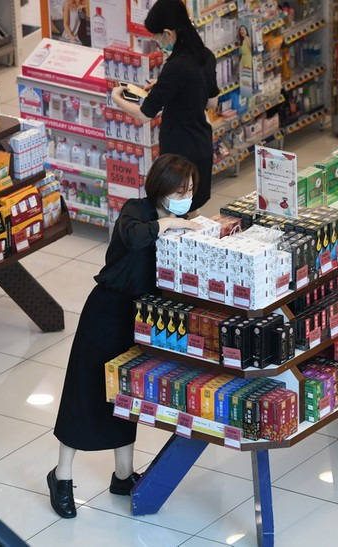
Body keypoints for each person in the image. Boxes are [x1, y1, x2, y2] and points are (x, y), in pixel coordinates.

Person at [48, 154, 200, 519]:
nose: (186, 196)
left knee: (125, 394)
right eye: (180, 190)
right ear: (161, 188)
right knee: (84, 391)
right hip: (106, 311)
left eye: (191, 190)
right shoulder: (136, 210)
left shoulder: (181, 222)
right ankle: (61, 476)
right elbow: (132, 238)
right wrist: (168, 224)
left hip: (141, 317)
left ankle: (122, 475)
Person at [110, 0, 219, 213]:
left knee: (176, 213)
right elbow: (211, 102)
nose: (156, 40)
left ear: (168, 33)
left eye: (156, 35)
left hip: (179, 152)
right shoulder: (205, 55)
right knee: (191, 207)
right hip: (201, 145)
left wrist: (116, 97)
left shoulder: (175, 67)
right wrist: (169, 88)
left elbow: (144, 115)